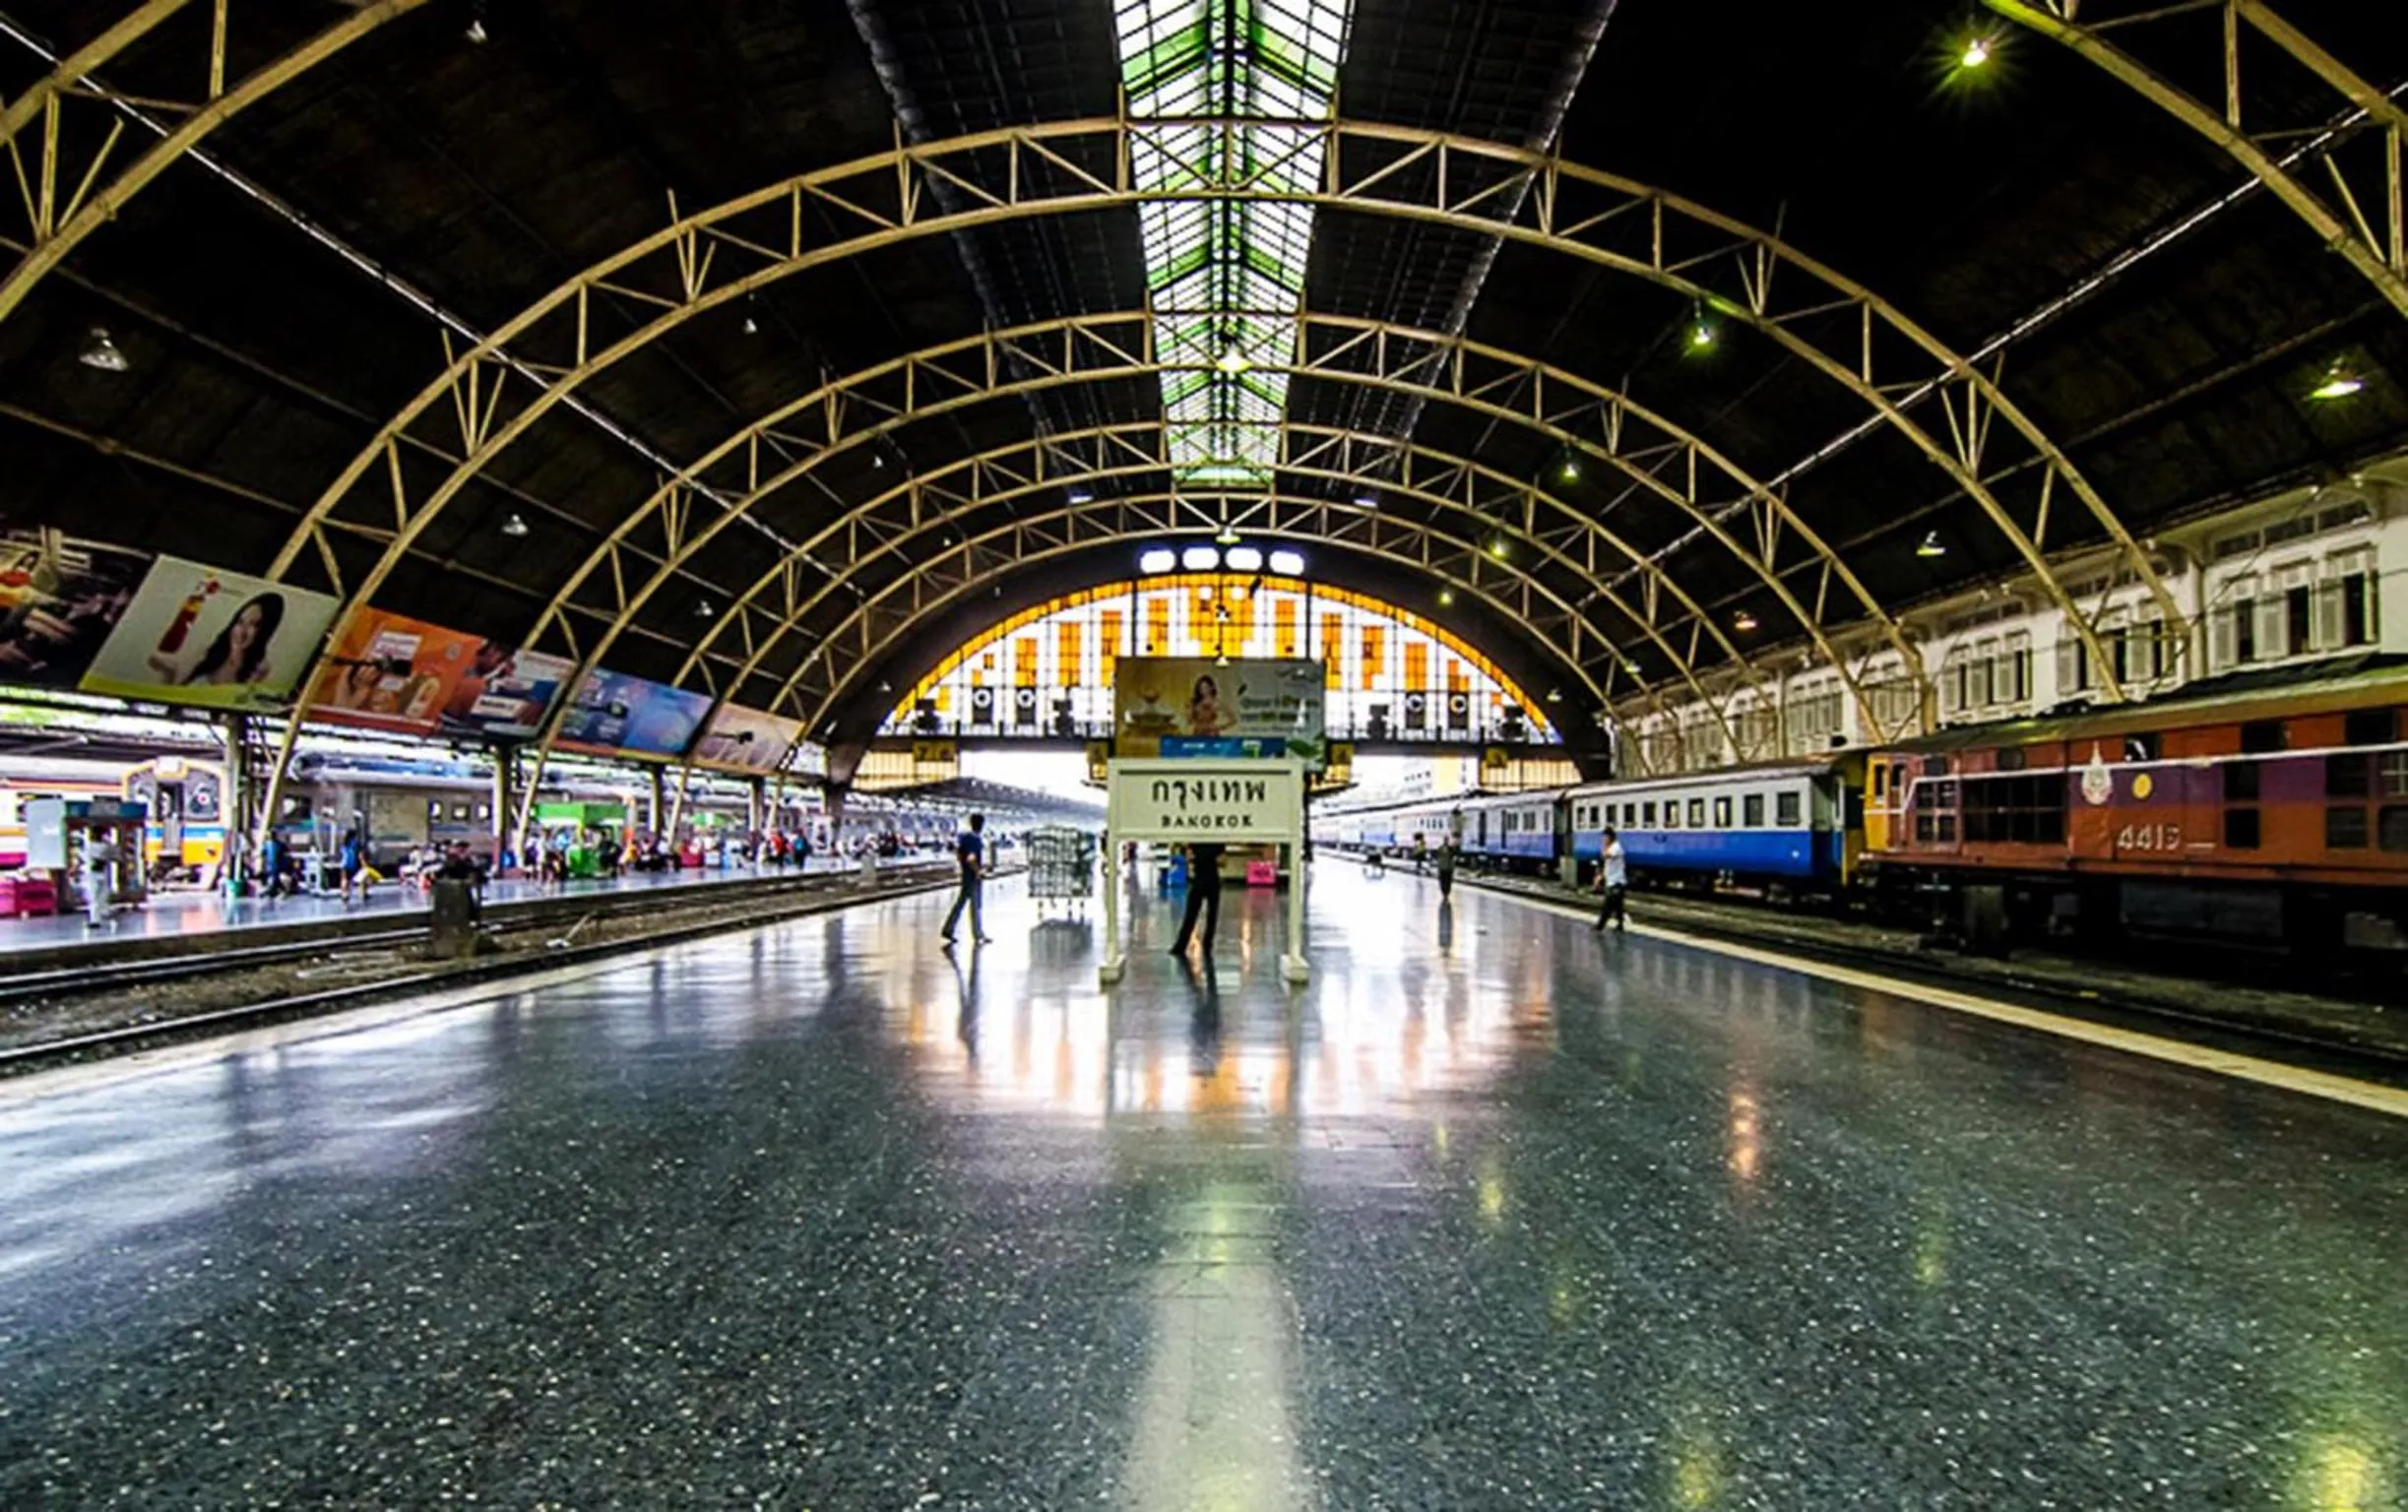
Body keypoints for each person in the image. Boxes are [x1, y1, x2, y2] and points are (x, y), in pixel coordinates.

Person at [149, 592, 285, 688]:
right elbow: (173, 694)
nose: (242, 630)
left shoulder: (259, 668)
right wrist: (168, 672)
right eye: (240, 622)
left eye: (254, 625)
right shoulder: (208, 652)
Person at [1171, 841, 1225, 957]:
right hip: (1212, 879)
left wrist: (1196, 858)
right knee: (1211, 916)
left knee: (1191, 915)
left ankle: (1181, 945)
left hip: (1199, 879)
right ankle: (1207, 945)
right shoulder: (1217, 842)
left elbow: (1189, 857)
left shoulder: (1196, 840)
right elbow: (1222, 861)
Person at [941, 812, 989, 944]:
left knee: (960, 904)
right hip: (973, 877)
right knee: (975, 906)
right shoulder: (975, 840)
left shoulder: (965, 838)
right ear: (981, 825)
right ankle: (978, 934)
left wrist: (963, 866)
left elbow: (959, 852)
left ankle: (948, 929)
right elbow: (971, 858)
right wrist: (979, 871)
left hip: (966, 875)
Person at [1593, 826, 1628, 933]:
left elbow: (1605, 856)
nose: (1604, 839)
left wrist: (1604, 846)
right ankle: (1620, 925)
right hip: (1612, 881)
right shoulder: (1612, 847)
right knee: (1618, 905)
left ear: (1610, 837)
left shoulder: (1616, 847)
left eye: (1605, 837)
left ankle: (1600, 926)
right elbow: (1607, 866)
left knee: (1607, 905)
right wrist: (1600, 877)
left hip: (1617, 882)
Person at [81, 829, 117, 928]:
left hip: (93, 874)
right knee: (102, 895)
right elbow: (114, 854)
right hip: (103, 873)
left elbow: (84, 858)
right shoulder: (106, 846)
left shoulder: (89, 847)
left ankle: (95, 919)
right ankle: (103, 912)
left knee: (94, 898)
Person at [338, 824, 365, 906]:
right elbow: (360, 855)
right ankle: (347, 895)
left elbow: (342, 852)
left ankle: (343, 894)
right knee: (349, 881)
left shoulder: (344, 842)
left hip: (343, 863)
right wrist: (364, 865)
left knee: (343, 879)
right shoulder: (356, 843)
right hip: (352, 864)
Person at [1435, 836, 1457, 900]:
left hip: (1448, 868)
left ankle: (1446, 893)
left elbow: (1454, 855)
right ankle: (1445, 892)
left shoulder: (1450, 848)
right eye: (1445, 840)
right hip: (1444, 867)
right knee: (1444, 881)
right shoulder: (1441, 848)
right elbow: (1438, 857)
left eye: (1447, 840)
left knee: (1447, 881)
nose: (1446, 841)